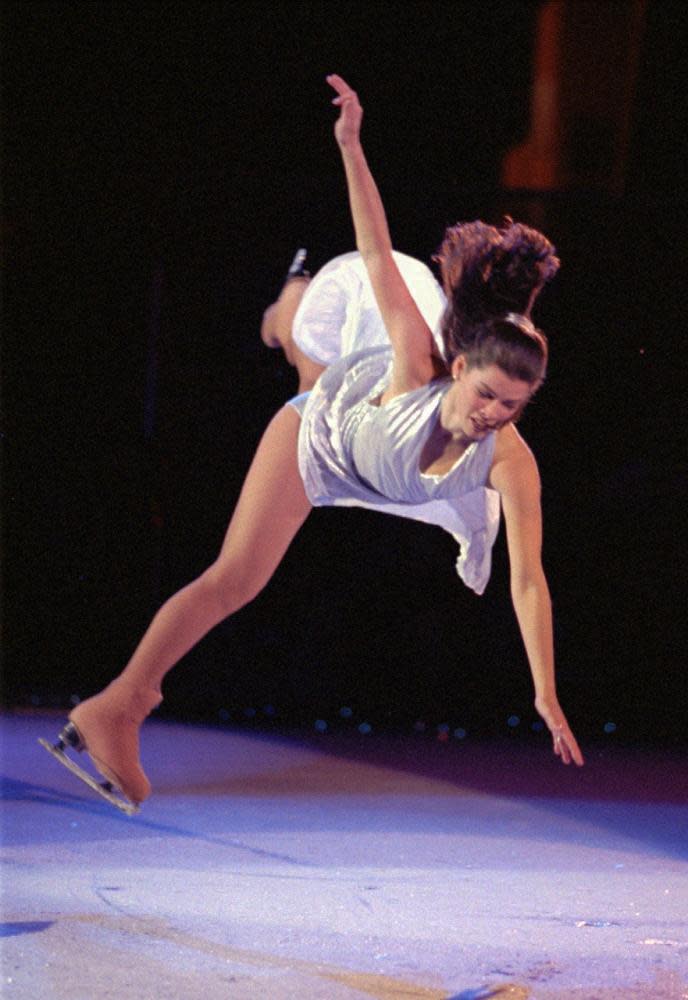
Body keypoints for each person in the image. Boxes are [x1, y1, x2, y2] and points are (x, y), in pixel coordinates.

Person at [48, 74, 583, 812]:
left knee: (316, 348)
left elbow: (529, 581)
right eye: (485, 394)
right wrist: (350, 142)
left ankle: (289, 306)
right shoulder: (416, 357)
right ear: (458, 368)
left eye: (513, 405)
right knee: (237, 572)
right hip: (320, 437)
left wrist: (546, 691)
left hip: (377, 460)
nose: (494, 414)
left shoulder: (512, 464)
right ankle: (117, 708)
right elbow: (373, 245)